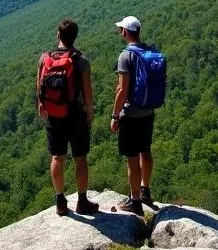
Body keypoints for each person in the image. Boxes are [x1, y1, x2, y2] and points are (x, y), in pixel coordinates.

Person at [37, 18, 99, 216]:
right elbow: (87, 95)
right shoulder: (81, 61)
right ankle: (82, 201)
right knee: (80, 158)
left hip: (54, 114)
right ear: (75, 37)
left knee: (57, 157)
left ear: (58, 35)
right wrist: (89, 113)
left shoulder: (44, 58)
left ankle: (60, 201)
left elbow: (39, 85)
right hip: (76, 115)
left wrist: (42, 105)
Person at [109, 15, 156, 216]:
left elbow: (122, 90)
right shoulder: (150, 51)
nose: (121, 33)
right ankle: (146, 191)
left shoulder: (125, 56)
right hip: (148, 110)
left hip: (131, 113)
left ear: (126, 33)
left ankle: (135, 201)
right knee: (145, 150)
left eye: (121, 30)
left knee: (131, 157)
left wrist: (115, 115)